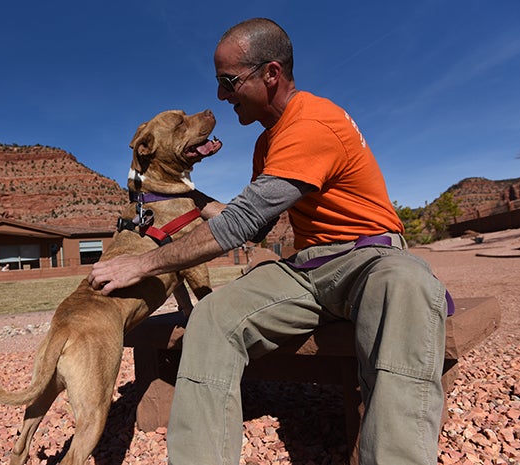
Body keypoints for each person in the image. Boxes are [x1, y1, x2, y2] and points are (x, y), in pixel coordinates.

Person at [88, 17, 448, 465]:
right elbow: (256, 224)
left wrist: (142, 264)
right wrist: (182, 195)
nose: (221, 95)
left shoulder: (313, 122)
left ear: (271, 74)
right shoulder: (267, 143)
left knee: (406, 285)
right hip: (308, 269)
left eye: (228, 81)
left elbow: (241, 223)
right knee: (213, 316)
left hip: (369, 257)